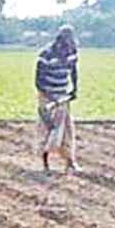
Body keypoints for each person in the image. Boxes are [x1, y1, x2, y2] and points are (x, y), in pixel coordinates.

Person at [35, 25, 80, 174]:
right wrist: (50, 97)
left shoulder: (71, 52)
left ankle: (70, 161)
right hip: (47, 95)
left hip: (62, 95)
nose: (67, 48)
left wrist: (74, 89)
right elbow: (38, 81)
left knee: (67, 129)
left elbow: (74, 71)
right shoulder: (46, 55)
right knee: (48, 129)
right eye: (65, 43)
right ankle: (45, 163)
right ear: (59, 41)